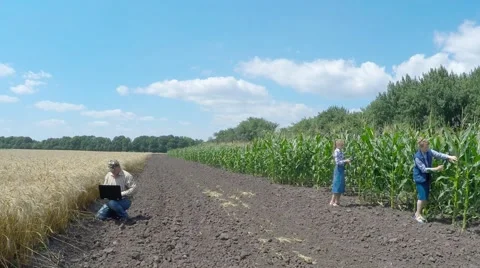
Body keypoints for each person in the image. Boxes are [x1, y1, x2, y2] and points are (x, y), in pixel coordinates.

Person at [413, 137, 457, 223]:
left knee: (425, 198)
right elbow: (423, 169)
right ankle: (417, 215)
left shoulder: (429, 151)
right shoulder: (417, 157)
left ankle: (419, 213)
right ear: (421, 147)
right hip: (420, 178)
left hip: (426, 177)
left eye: (428, 147)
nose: (427, 149)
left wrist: (449, 157)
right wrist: (436, 169)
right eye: (425, 147)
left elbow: (439, 155)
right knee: (422, 197)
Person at [95, 159, 137, 225]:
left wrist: (121, 193)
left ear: (118, 167)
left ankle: (126, 218)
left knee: (112, 203)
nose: (112, 172)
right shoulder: (108, 175)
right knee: (99, 216)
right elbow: (105, 187)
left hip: (125, 200)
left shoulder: (127, 176)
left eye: (113, 170)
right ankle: (116, 213)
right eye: (111, 170)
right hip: (111, 200)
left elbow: (133, 189)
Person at [329, 139, 351, 206]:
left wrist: (347, 161)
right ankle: (332, 201)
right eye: (342, 144)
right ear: (338, 144)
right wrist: (345, 161)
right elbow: (337, 162)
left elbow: (341, 160)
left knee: (340, 185)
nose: (343, 145)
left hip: (341, 169)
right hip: (338, 169)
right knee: (337, 185)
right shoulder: (336, 151)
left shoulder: (340, 151)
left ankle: (337, 201)